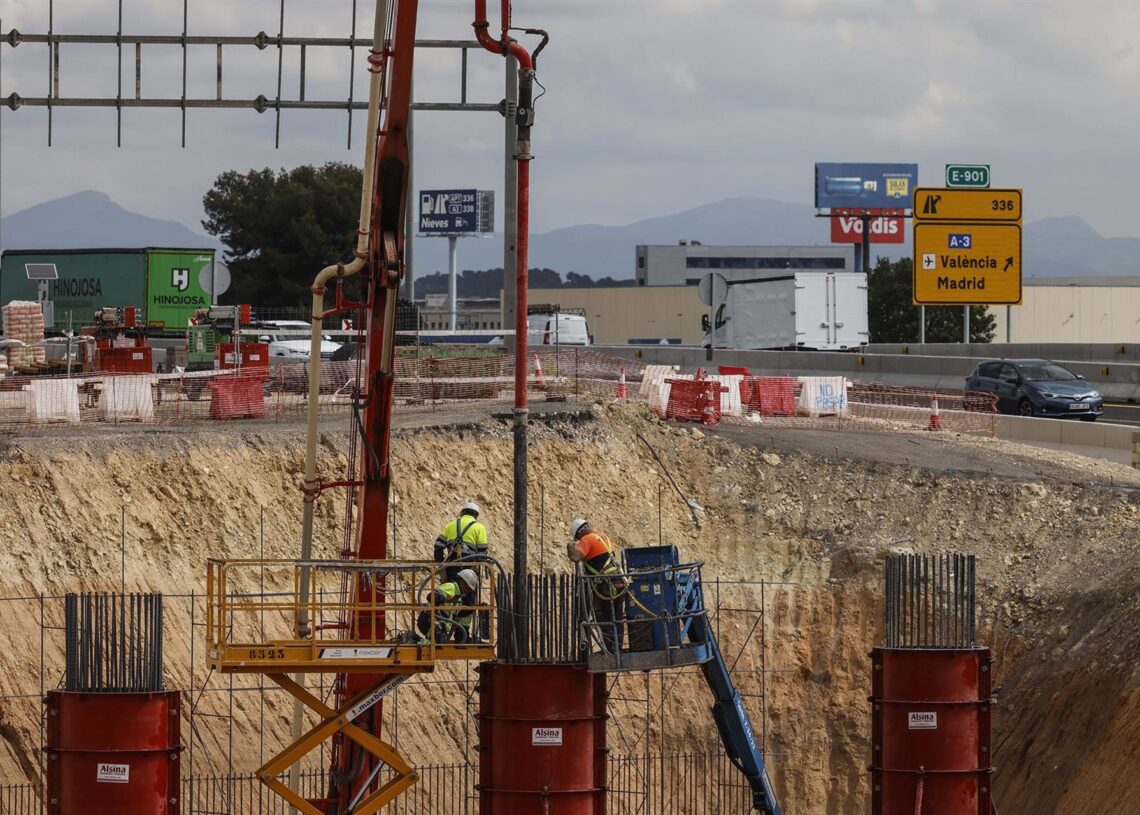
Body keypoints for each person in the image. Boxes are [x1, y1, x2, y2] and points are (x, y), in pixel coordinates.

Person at [567, 518, 627, 654]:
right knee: (617, 616)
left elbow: (575, 557)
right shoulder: (603, 537)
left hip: (605, 585)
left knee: (602, 616)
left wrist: (570, 548)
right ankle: (616, 649)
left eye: (577, 538)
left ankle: (610, 650)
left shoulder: (586, 539)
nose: (578, 540)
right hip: (618, 581)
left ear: (579, 533)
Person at [417, 568, 479, 644]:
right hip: (427, 621)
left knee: (441, 643)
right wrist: (447, 600)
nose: (468, 591)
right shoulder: (451, 587)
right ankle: (418, 644)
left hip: (436, 623)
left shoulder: (458, 595)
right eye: (468, 588)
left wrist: (477, 607)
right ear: (462, 582)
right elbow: (431, 596)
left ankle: (420, 643)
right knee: (439, 642)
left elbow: (460, 614)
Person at [435, 502, 488, 580]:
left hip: (451, 567)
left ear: (462, 513)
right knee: (469, 586)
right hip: (469, 569)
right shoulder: (480, 528)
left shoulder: (450, 525)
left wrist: (440, 562)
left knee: (450, 586)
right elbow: (482, 552)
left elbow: (438, 546)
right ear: (476, 515)